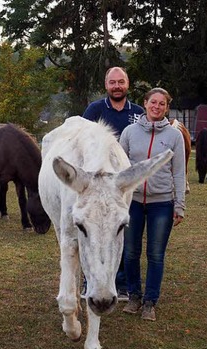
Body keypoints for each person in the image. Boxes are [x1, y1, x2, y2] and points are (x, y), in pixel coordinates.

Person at [118, 87, 186, 321]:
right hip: (133, 202)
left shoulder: (174, 136)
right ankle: (134, 296)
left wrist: (180, 205)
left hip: (162, 204)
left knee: (155, 254)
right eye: (153, 102)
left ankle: (150, 302)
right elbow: (120, 168)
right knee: (130, 252)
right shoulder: (129, 132)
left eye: (162, 104)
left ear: (166, 108)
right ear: (145, 104)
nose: (156, 107)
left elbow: (179, 172)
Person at [82, 66, 145, 302]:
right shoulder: (94, 110)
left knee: (120, 234)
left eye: (121, 82)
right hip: (99, 187)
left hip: (124, 186)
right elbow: (84, 141)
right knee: (96, 234)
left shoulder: (138, 112)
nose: (116, 86)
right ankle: (90, 280)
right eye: (112, 82)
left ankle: (120, 283)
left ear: (128, 84)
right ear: (106, 85)